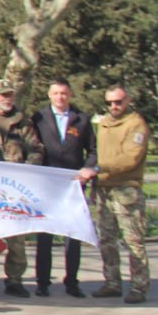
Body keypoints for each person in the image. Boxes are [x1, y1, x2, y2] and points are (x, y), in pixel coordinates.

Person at [0, 79, 44, 298]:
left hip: (16, 189)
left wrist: (28, 168)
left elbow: (36, 149)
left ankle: (14, 279)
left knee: (17, 238)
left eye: (9, 94)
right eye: (2, 95)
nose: (6, 99)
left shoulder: (24, 123)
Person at [30, 79, 96, 298]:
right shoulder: (38, 118)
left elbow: (93, 151)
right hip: (46, 184)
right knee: (45, 235)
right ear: (49, 95)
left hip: (72, 185)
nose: (60, 97)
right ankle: (42, 282)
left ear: (70, 95)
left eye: (64, 93)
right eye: (56, 93)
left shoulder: (82, 120)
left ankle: (72, 282)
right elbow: (32, 147)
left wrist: (88, 170)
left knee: (72, 235)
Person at [92, 85, 151, 303]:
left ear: (128, 101)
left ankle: (139, 286)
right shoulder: (104, 123)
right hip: (104, 190)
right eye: (109, 103)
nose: (114, 106)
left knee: (133, 241)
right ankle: (112, 282)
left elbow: (130, 159)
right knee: (106, 239)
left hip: (126, 189)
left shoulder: (136, 124)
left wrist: (99, 168)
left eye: (118, 102)